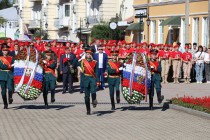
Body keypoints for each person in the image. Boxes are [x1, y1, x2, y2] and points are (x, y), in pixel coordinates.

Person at [79, 48, 99, 115]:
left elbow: (97, 72)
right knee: (86, 96)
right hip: (85, 79)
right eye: (87, 54)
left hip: (92, 78)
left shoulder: (95, 62)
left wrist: (98, 81)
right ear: (86, 54)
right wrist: (79, 67)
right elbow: (75, 63)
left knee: (93, 91)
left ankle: (94, 100)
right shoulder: (82, 61)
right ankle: (88, 109)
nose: (89, 55)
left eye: (90, 54)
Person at [0, 44, 14, 109]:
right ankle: (5, 103)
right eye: (4, 50)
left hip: (9, 75)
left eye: (6, 50)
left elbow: (14, 65)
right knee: (3, 91)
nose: (5, 52)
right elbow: (1, 66)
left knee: (10, 88)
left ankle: (10, 97)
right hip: (2, 75)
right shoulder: (0, 58)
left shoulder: (11, 58)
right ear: (2, 51)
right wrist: (8, 66)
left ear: (8, 51)